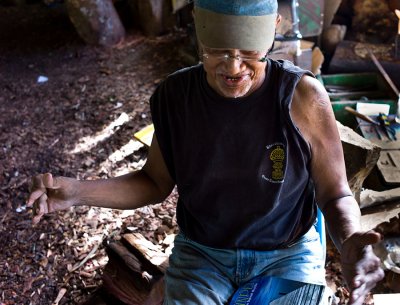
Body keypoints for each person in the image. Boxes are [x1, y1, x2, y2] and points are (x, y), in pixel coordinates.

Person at [27, 1, 384, 304]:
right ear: (198, 29)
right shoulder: (175, 96)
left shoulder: (302, 97)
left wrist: (351, 240)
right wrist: (77, 193)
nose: (232, 67)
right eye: (218, 51)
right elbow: (154, 182)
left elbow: (335, 192)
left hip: (285, 254)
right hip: (204, 254)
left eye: (248, 54)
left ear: (275, 29)